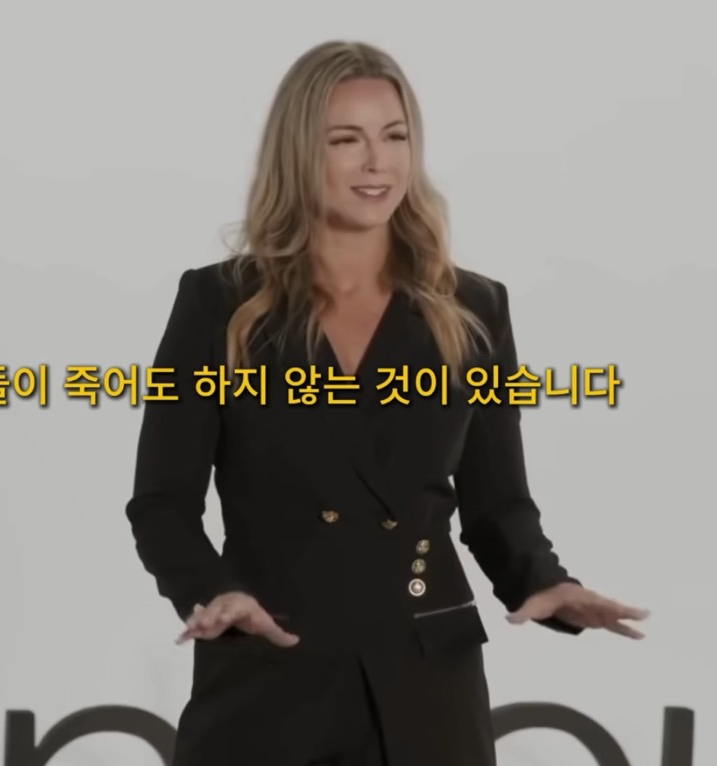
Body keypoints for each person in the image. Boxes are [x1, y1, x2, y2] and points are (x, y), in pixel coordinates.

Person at [124, 40, 649, 766]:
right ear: (298, 153)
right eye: (347, 140)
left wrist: (546, 581)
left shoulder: (474, 308)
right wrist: (211, 591)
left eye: (395, 136)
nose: (378, 163)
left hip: (428, 680)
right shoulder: (220, 304)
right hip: (271, 667)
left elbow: (498, 504)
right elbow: (162, 503)